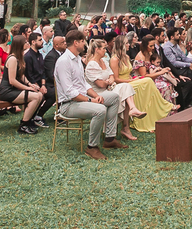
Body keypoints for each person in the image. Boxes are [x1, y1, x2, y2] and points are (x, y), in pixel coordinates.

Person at [54, 30, 126, 160]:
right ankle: (92, 147)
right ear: (76, 43)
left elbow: (84, 85)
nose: (85, 44)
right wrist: (90, 100)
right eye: (83, 42)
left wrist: (94, 96)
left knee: (114, 97)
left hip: (82, 100)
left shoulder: (76, 59)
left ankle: (109, 139)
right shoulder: (63, 61)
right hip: (68, 105)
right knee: (100, 109)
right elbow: (70, 92)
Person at [110, 35, 174, 132]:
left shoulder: (126, 57)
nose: (129, 45)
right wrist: (130, 80)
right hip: (122, 85)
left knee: (147, 82)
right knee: (148, 80)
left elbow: (129, 73)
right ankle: (165, 105)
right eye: (127, 43)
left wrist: (134, 78)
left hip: (131, 80)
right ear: (121, 45)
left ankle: (155, 113)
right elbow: (116, 79)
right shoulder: (115, 59)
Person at [85, 38, 145, 141]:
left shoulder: (103, 60)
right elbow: (100, 84)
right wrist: (108, 81)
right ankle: (119, 130)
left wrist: (109, 81)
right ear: (96, 49)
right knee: (120, 94)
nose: (106, 50)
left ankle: (132, 108)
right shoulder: (91, 64)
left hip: (108, 88)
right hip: (98, 93)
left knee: (127, 87)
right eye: (103, 48)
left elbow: (112, 75)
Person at [0, 35, 45, 134]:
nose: (27, 44)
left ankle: (29, 121)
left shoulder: (19, 57)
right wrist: (28, 88)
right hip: (7, 91)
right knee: (36, 97)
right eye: (25, 42)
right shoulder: (12, 59)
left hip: (14, 89)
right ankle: (23, 124)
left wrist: (30, 84)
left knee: (40, 95)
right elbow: (12, 81)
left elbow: (21, 75)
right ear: (20, 45)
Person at [161, 27, 192, 108]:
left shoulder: (176, 45)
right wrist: (188, 65)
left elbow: (184, 58)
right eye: (177, 34)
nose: (179, 35)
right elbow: (173, 63)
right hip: (175, 69)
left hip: (182, 67)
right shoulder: (167, 48)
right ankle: (185, 102)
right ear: (172, 37)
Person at [23, 31, 54, 125]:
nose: (42, 42)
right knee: (42, 95)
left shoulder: (40, 55)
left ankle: (39, 115)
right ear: (33, 42)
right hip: (32, 84)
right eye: (40, 40)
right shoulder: (28, 56)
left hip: (41, 83)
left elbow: (43, 72)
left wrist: (43, 85)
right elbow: (29, 75)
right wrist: (39, 87)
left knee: (54, 93)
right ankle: (31, 117)